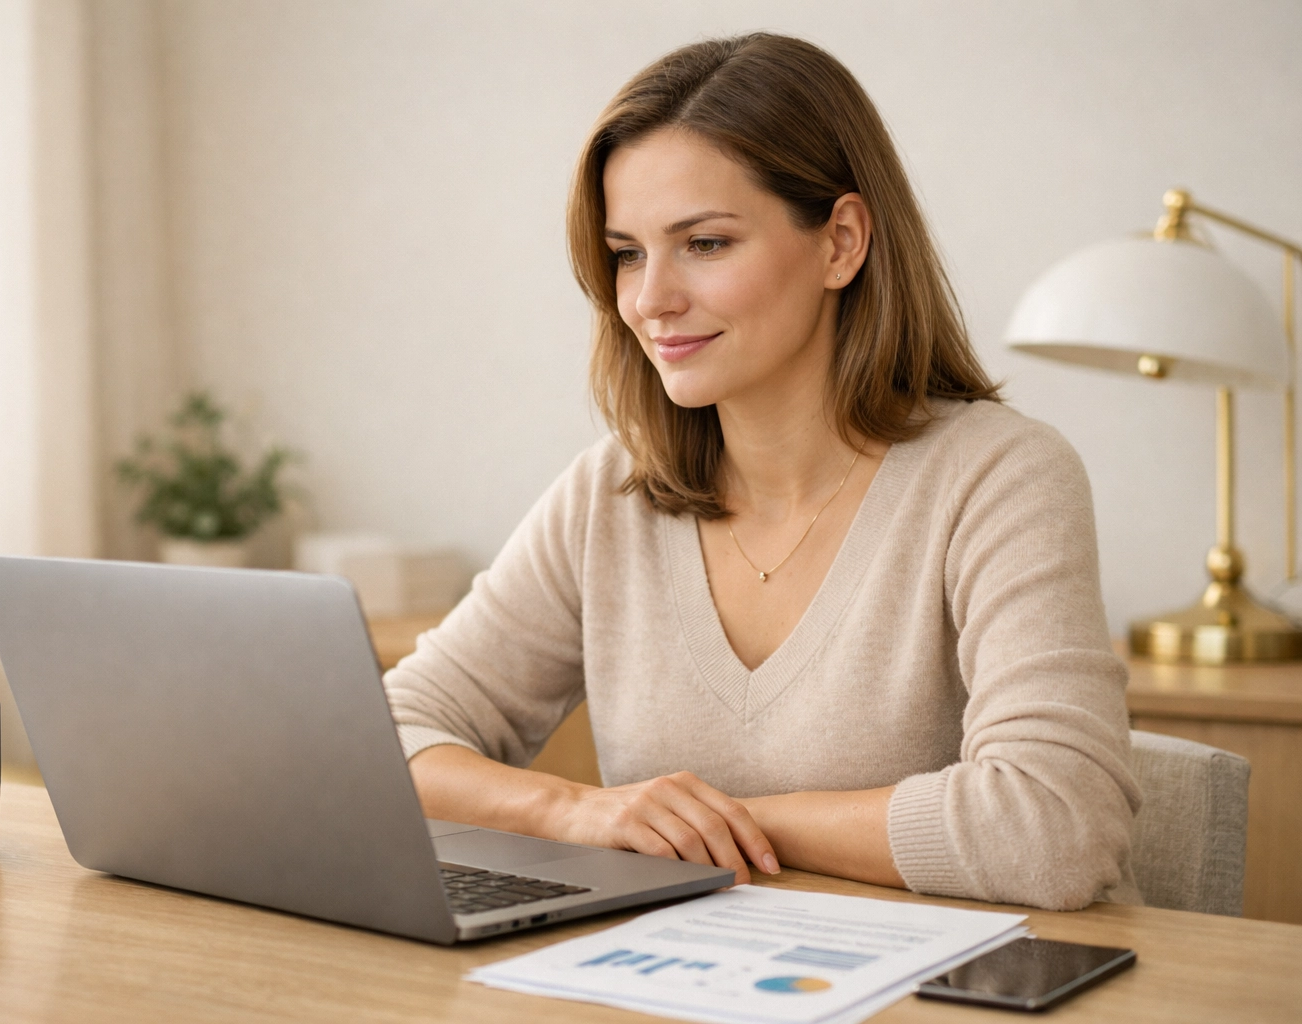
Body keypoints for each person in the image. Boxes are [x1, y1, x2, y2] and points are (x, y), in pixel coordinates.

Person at [384, 33, 1140, 911]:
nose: (649, 299)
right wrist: (575, 811)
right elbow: (385, 739)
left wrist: (715, 828)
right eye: (627, 252)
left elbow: (1054, 830)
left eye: (703, 244)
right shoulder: (612, 494)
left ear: (841, 243)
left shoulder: (1000, 478)